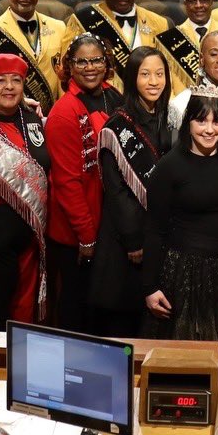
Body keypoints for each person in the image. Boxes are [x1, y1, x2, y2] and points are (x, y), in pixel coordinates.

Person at [142, 85, 218, 340]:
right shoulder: (169, 166)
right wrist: (149, 286)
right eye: (201, 121)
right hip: (184, 274)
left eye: (217, 121)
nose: (209, 129)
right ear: (188, 122)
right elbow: (154, 230)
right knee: (186, 354)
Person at [87, 48, 173, 336]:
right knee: (124, 324)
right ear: (133, 78)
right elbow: (117, 192)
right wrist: (134, 239)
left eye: (159, 74)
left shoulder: (168, 119)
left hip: (160, 234)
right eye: (145, 74)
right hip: (126, 241)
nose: (153, 81)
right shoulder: (117, 126)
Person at [45, 35, 125, 332]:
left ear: (106, 63)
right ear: (70, 66)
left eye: (96, 60)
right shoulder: (64, 112)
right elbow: (67, 183)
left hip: (106, 223)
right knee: (79, 311)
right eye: (82, 62)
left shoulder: (113, 95)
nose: (90, 68)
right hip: (77, 233)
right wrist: (87, 237)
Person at [0, 54, 51, 324]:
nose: (9, 87)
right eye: (0, 81)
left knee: (25, 308)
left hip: (31, 233)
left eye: (16, 80)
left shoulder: (33, 119)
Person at [62, 0, 175, 91]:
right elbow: (67, 68)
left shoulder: (159, 23)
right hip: (101, 96)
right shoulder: (83, 20)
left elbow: (168, 70)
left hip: (150, 95)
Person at [168, 0, 218, 89]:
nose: (198, 5)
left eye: (204, 0)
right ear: (185, 4)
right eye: (192, 1)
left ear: (211, 2)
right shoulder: (172, 39)